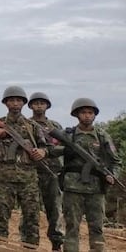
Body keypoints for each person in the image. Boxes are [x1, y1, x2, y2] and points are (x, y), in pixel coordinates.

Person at [0, 86, 48, 249]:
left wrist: (42, 152)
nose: (15, 104)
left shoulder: (32, 126)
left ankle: (30, 248)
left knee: (31, 220)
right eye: (11, 100)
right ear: (6, 103)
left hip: (28, 180)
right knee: (1, 218)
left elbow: (45, 146)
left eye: (18, 100)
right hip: (4, 179)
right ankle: (0, 247)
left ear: (23, 103)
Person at [61, 98, 121, 252]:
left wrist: (112, 175)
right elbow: (53, 150)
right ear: (76, 115)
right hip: (72, 189)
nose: (87, 116)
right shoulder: (68, 135)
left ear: (95, 115)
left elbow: (116, 161)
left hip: (96, 190)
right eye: (83, 112)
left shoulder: (102, 136)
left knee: (97, 228)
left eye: (90, 113)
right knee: (72, 227)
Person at [26, 92, 64, 251]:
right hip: (30, 172)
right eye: (36, 103)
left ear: (47, 105)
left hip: (52, 172)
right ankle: (28, 241)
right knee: (29, 209)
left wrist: (47, 152)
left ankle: (56, 242)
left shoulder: (55, 126)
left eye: (42, 103)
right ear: (30, 106)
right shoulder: (25, 124)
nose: (39, 106)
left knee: (54, 209)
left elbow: (65, 147)